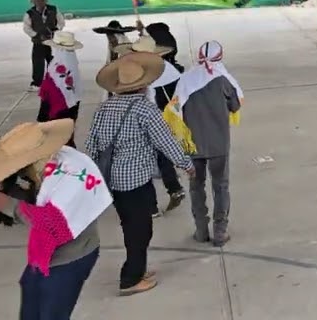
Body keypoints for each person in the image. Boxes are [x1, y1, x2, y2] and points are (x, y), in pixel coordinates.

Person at [86, 51, 193, 296]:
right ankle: (130, 279)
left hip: (111, 181)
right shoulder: (145, 109)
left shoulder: (104, 108)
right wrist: (186, 164)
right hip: (135, 182)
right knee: (141, 230)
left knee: (130, 226)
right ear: (143, 85)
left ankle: (138, 268)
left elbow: (92, 145)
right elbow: (166, 142)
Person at [0, 119, 107, 320]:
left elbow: (53, 224)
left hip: (70, 257)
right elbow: (40, 200)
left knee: (51, 314)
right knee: (30, 298)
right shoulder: (56, 160)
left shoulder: (67, 177)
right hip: (47, 255)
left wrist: (11, 206)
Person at [176, 41, 244, 247]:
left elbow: (175, 109)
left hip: (192, 144)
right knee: (220, 186)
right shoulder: (223, 81)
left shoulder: (185, 80)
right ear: (220, 57)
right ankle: (220, 231)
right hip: (218, 144)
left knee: (196, 186)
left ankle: (201, 231)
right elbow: (235, 106)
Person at [123, 33, 188, 218]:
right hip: (166, 118)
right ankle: (174, 187)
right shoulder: (169, 69)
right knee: (161, 154)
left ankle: (150, 207)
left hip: (145, 118)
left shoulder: (138, 71)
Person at [37, 31, 84, 147]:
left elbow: (47, 95)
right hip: (71, 111)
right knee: (67, 138)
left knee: (56, 144)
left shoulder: (56, 66)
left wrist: (41, 119)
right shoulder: (73, 64)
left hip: (56, 114)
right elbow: (76, 92)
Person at [24, 0, 64, 89]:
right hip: (38, 42)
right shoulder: (30, 13)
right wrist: (37, 35)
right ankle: (37, 83)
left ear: (45, 1)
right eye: (38, 1)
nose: (40, 3)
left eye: (42, 1)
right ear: (34, 2)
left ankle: (57, 81)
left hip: (53, 40)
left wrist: (56, 30)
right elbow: (27, 28)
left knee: (54, 61)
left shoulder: (53, 9)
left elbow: (61, 22)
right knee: (38, 62)